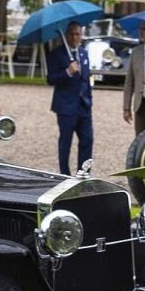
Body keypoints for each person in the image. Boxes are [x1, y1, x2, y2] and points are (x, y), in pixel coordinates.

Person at [45, 22, 92, 176]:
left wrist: (89, 100)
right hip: (66, 106)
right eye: (71, 34)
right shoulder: (56, 54)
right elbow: (51, 79)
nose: (74, 37)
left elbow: (86, 79)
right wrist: (67, 72)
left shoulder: (84, 53)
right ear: (66, 35)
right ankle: (64, 174)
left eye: (77, 34)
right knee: (66, 142)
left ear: (81, 35)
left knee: (87, 139)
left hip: (84, 107)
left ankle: (83, 173)